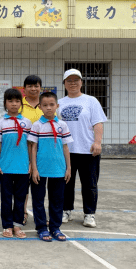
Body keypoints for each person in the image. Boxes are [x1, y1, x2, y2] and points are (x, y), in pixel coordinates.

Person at [58, 69, 107, 228]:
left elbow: (98, 123)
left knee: (90, 184)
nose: (73, 83)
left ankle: (89, 214)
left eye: (76, 80)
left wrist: (97, 142)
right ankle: (66, 210)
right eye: (69, 80)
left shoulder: (91, 101)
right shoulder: (60, 102)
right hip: (66, 151)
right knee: (66, 183)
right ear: (64, 83)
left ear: (81, 82)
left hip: (88, 150)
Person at [28, 92, 72, 242]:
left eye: (51, 105)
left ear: (57, 106)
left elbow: (65, 147)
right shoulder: (37, 125)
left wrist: (69, 168)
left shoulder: (62, 125)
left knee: (57, 199)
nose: (48, 108)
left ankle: (55, 227)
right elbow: (33, 147)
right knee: (38, 199)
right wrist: (34, 168)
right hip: (40, 168)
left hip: (58, 169)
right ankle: (41, 227)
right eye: (45, 105)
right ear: (40, 107)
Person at [0, 88, 31, 239]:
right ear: (5, 103)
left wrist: (30, 164)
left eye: (17, 101)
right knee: (6, 197)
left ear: (21, 104)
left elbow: (30, 145)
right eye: (10, 101)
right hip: (5, 167)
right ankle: (7, 225)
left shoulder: (27, 123)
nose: (14, 104)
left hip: (23, 167)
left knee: (21, 197)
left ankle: (17, 225)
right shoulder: (1, 123)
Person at [20, 75, 44, 225]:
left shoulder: (46, 104)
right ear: (24, 89)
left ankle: (40, 215)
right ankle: (22, 212)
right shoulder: (19, 105)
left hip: (43, 151)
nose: (33, 89)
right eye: (30, 86)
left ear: (40, 88)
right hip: (23, 150)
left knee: (40, 185)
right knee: (23, 185)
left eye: (36, 86)